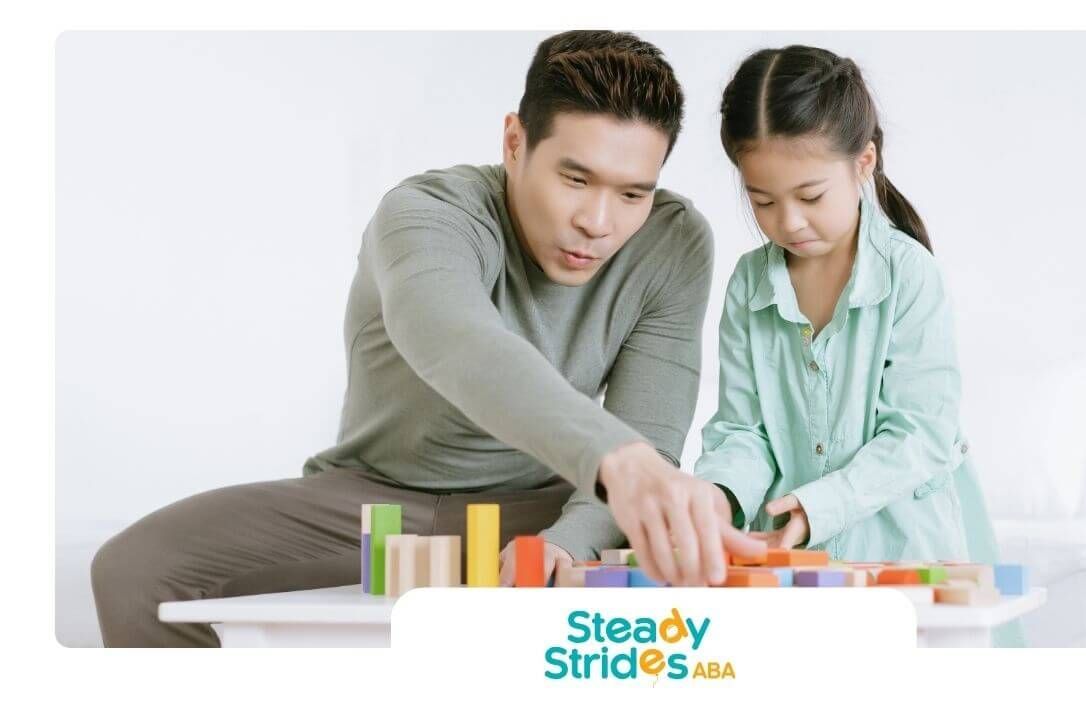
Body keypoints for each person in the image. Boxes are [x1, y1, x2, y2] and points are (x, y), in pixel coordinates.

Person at [91, 30, 763, 647]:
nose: (598, 221)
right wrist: (624, 461)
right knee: (135, 572)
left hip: (545, 507)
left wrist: (576, 538)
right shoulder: (424, 215)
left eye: (632, 194)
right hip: (370, 502)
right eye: (575, 178)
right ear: (513, 143)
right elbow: (461, 346)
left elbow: (649, 422)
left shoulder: (674, 241)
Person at [694, 45, 1023, 646]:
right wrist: (717, 498)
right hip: (796, 580)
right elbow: (742, 430)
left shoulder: (909, 275)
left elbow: (920, 435)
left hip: (906, 567)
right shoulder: (748, 283)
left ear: (862, 161)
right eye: (762, 200)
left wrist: (819, 506)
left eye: (810, 196)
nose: (787, 221)